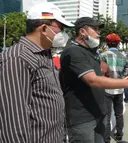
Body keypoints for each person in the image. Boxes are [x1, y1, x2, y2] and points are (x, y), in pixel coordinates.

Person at [60, 17, 128, 143]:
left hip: (99, 112)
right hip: (82, 118)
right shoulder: (73, 51)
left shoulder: (93, 52)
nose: (99, 33)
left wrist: (108, 70)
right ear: (82, 32)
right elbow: (92, 80)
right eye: (95, 29)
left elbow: (102, 74)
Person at [0, 2, 73, 142]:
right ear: (44, 28)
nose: (64, 34)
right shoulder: (18, 58)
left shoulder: (45, 55)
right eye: (61, 29)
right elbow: (13, 121)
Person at [100, 33, 126, 143]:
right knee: (119, 114)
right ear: (118, 43)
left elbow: (102, 72)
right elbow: (125, 73)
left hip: (107, 88)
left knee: (106, 115)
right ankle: (119, 135)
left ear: (107, 43)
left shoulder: (103, 55)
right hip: (119, 88)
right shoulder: (123, 56)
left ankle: (106, 139)